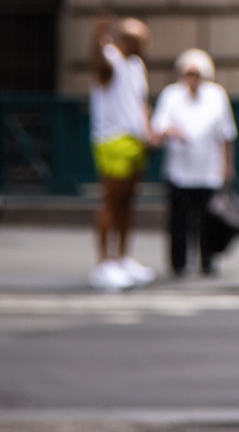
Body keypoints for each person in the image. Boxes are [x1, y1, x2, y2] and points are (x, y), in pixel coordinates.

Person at [149, 48, 237, 278]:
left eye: (196, 74)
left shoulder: (216, 96)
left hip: (208, 168)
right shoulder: (171, 95)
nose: (192, 79)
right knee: (178, 218)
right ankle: (178, 263)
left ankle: (206, 260)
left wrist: (227, 165)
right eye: (188, 74)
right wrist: (171, 131)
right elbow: (158, 126)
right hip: (179, 169)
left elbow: (226, 134)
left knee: (207, 218)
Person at [90, 15, 154, 291]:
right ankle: (105, 262)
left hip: (135, 140)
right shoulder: (111, 58)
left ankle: (123, 258)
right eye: (140, 39)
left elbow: (141, 102)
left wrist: (148, 129)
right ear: (126, 39)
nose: (144, 44)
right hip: (112, 139)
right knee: (111, 201)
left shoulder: (136, 65)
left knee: (128, 201)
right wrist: (100, 37)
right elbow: (101, 66)